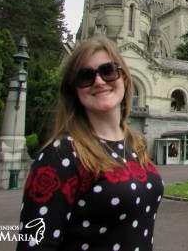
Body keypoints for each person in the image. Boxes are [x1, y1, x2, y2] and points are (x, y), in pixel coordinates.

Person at [17, 35, 164, 250]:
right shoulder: (61, 155)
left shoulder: (136, 145)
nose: (99, 81)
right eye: (85, 76)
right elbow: (35, 242)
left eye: (108, 71)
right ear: (74, 90)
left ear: (124, 78)